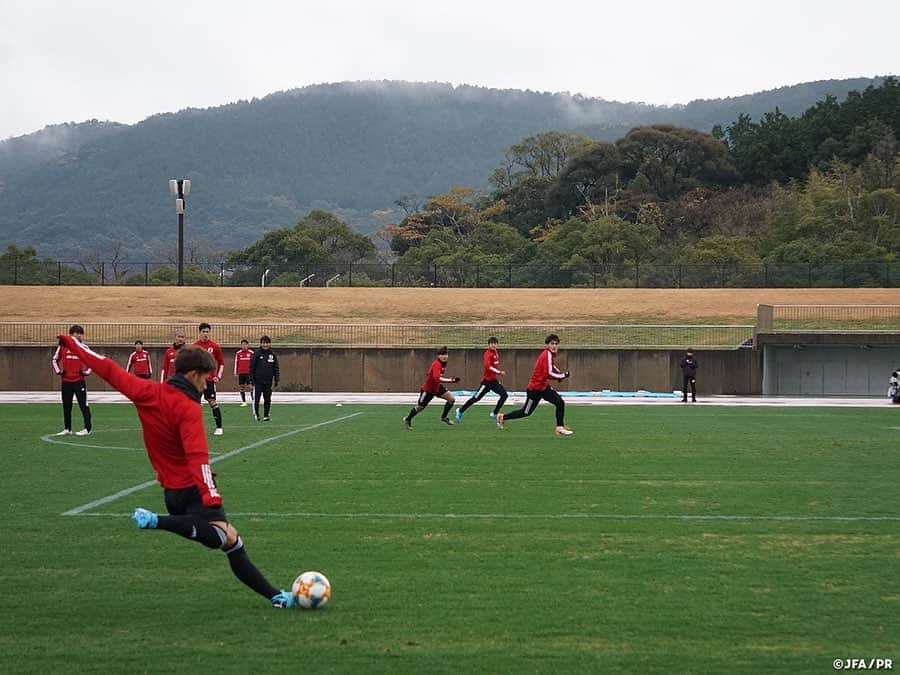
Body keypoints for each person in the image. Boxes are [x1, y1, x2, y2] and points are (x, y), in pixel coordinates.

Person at [56, 332, 299, 609]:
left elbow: (107, 369)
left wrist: (75, 345)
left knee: (231, 539)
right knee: (221, 537)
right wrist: (211, 496)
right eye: (205, 378)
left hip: (171, 493)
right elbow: (198, 458)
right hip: (193, 489)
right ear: (194, 375)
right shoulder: (187, 408)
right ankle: (156, 521)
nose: (206, 384)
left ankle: (276, 597)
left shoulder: (147, 392)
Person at [497, 334, 572, 436]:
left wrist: (559, 373)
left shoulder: (550, 355)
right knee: (526, 412)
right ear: (547, 345)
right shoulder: (547, 355)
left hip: (543, 387)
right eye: (552, 344)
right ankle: (503, 417)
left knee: (560, 403)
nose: (554, 346)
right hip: (535, 390)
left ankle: (559, 427)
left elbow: (551, 367)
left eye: (556, 344)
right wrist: (562, 376)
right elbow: (548, 373)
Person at [51, 323, 93, 436]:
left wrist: (86, 372)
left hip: (79, 382)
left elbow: (92, 362)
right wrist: (59, 371)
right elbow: (55, 360)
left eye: (80, 333)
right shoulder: (62, 347)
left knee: (83, 405)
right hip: (66, 382)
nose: (78, 335)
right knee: (66, 406)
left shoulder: (84, 348)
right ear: (71, 334)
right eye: (76, 333)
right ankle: (67, 428)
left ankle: (87, 428)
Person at [403, 346, 460, 429]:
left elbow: (434, 376)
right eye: (442, 354)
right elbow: (437, 378)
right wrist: (451, 380)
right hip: (428, 390)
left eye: (446, 354)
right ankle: (408, 419)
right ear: (438, 356)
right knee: (420, 407)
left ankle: (443, 417)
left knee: (451, 399)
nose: (444, 356)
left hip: (437, 387)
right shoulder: (437, 364)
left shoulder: (443, 363)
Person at [455, 336, 508, 423]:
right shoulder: (487, 354)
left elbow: (494, 366)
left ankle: (494, 413)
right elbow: (488, 366)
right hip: (486, 382)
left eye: (495, 344)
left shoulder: (496, 353)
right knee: (476, 398)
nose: (493, 345)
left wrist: (496, 377)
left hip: (494, 381)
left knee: (504, 395)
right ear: (488, 345)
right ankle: (460, 410)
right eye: (491, 344)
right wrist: (499, 372)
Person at [193, 322, 225, 435]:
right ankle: (193, 429)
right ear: (199, 332)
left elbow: (221, 363)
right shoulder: (195, 346)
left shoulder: (215, 346)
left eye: (207, 332)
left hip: (209, 380)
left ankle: (219, 428)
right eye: (203, 332)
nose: (205, 334)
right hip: (197, 381)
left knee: (212, 401)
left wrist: (218, 376)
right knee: (194, 403)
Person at [249, 335, 279, 421]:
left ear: (269, 344)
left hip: (268, 381)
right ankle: (256, 415)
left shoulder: (272, 355)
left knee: (267, 399)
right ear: (261, 343)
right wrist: (250, 380)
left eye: (267, 343)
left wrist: (276, 379)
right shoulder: (256, 354)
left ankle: (266, 415)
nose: (265, 345)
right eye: (263, 343)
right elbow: (251, 368)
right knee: (256, 399)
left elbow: (276, 368)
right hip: (257, 381)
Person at [234, 339, 254, 407]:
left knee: (251, 386)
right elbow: (236, 362)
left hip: (249, 373)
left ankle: (253, 401)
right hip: (241, 373)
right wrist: (236, 372)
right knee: (242, 387)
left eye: (245, 344)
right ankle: (244, 401)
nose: (244, 346)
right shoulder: (238, 353)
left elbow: (254, 363)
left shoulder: (251, 353)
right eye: (242, 344)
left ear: (248, 345)